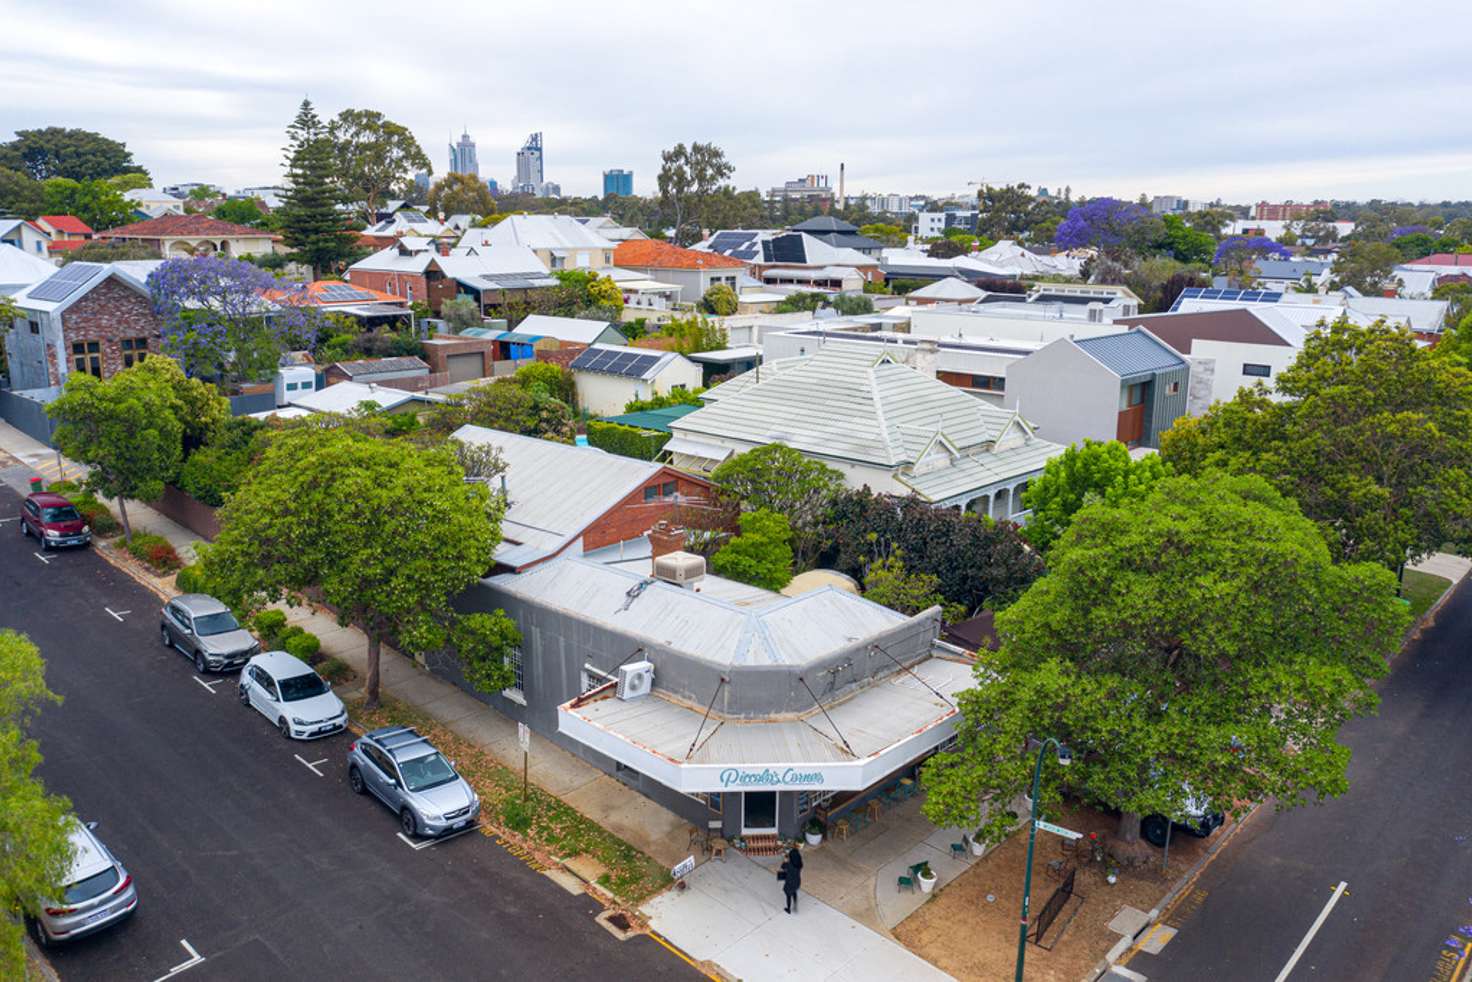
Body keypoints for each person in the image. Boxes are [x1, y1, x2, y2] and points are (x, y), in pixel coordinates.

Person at [779, 847, 803, 914]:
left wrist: (785, 860)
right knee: (794, 892)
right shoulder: (800, 864)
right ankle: (795, 905)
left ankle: (788, 909)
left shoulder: (788, 864)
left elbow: (782, 867)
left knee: (788, 896)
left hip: (789, 883)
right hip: (797, 882)